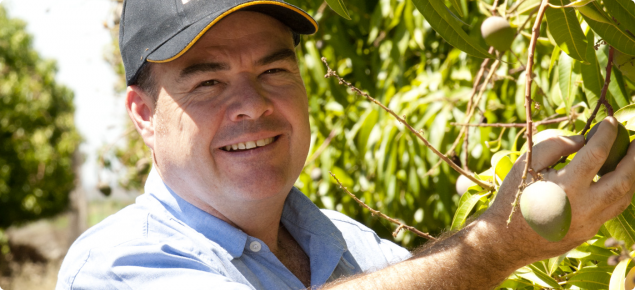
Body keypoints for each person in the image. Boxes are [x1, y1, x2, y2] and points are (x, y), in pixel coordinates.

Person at [56, 0, 635, 289]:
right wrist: (496, 245)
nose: (253, 105)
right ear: (144, 115)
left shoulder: (350, 247)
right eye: (208, 82)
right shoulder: (117, 266)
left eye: (274, 71)